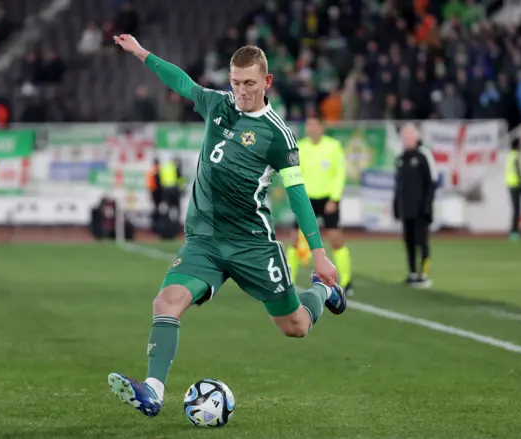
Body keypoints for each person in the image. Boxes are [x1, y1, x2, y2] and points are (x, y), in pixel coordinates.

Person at [108, 34, 346, 418]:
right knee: (166, 302)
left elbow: (298, 196)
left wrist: (318, 255)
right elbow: (183, 83)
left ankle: (322, 292)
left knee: (296, 326)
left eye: (249, 83)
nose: (240, 91)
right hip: (204, 241)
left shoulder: (278, 135)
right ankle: (151, 389)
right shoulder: (217, 104)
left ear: (266, 82)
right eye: (235, 82)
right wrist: (142, 53)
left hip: (252, 244)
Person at [286, 117, 354, 296]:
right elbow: (294, 173)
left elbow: (340, 173)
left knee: (336, 239)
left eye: (315, 125)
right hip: (306, 200)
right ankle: (288, 283)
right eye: (308, 125)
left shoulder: (333, 146)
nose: (311, 129)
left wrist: (335, 198)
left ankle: (346, 282)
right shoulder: (300, 147)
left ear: (321, 127)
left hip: (327, 200)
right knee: (295, 239)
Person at [393, 123, 438, 288]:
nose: (406, 140)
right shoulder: (400, 159)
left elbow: (432, 182)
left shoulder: (424, 156)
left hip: (420, 209)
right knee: (409, 242)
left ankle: (424, 274)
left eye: (409, 137)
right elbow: (398, 186)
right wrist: (396, 206)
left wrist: (427, 205)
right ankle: (412, 273)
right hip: (406, 209)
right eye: (404, 137)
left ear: (416, 137)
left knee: (422, 241)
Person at [505, 138, 521, 241]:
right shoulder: (516, 156)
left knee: (515, 209)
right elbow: (517, 169)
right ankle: (514, 232)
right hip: (515, 184)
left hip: (510, 184)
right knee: (517, 210)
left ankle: (514, 231)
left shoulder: (509, 155)